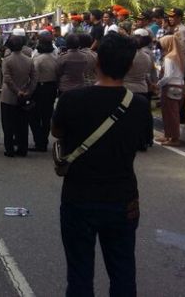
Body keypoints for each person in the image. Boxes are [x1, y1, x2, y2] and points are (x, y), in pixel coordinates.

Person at [52, 33, 151, 296]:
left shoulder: (71, 100)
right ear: (130, 66)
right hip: (122, 198)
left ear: (96, 62)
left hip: (78, 197)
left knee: (80, 274)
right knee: (123, 273)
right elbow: (142, 140)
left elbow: (58, 133)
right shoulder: (140, 106)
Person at [0, 35, 36, 157]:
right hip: (24, 95)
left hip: (9, 96)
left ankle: (9, 149)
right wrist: (28, 91)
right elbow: (34, 78)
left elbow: (7, 78)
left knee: (8, 125)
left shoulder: (7, 60)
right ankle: (22, 148)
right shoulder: (29, 60)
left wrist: (16, 91)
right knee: (22, 124)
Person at [124, 30, 158, 150]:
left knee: (129, 118)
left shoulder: (128, 56)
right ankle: (144, 140)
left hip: (128, 89)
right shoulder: (146, 56)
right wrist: (152, 84)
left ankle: (132, 141)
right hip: (143, 88)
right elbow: (147, 74)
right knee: (143, 116)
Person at [28, 36, 58, 152]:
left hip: (40, 88)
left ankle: (39, 141)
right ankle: (43, 140)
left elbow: (34, 78)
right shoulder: (55, 57)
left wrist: (29, 92)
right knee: (46, 116)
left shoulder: (38, 59)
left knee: (34, 116)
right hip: (51, 88)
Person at [156, 35, 185, 146]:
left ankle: (174, 139)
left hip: (170, 87)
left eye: (163, 46)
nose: (162, 49)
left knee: (170, 114)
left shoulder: (169, 57)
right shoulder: (180, 56)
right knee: (173, 113)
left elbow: (167, 76)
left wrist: (158, 85)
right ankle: (168, 135)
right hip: (180, 86)